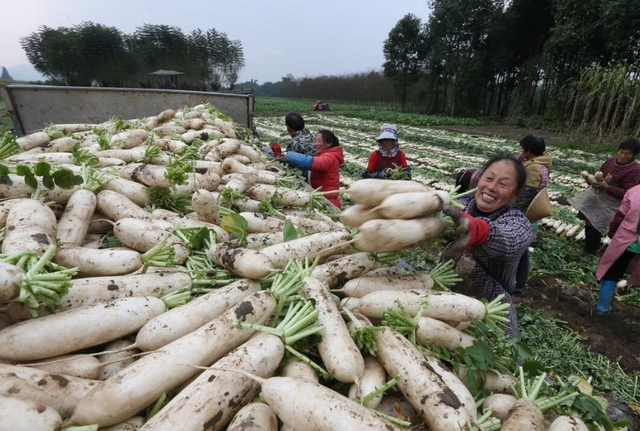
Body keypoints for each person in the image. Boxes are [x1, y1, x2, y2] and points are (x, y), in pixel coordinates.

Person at [443, 155, 531, 338]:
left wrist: (477, 230)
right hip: (444, 302)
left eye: (503, 184)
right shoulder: (460, 206)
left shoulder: (517, 222)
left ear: (515, 194)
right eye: (489, 178)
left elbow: (509, 242)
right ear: (479, 179)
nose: (491, 187)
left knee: (494, 360)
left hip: (489, 314)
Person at [570, 139, 640, 255]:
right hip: (598, 195)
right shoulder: (610, 161)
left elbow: (628, 192)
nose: (622, 156)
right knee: (588, 220)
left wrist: (607, 186)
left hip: (612, 202)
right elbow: (600, 174)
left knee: (598, 226)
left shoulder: (635, 170)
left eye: (627, 154)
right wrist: (593, 181)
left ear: (633, 155)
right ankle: (588, 246)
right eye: (621, 152)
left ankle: (590, 252)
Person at [594, 184, 640, 313]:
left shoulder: (634, 191)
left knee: (613, 272)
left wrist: (613, 234)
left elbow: (619, 216)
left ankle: (602, 308)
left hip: (626, 240)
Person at [280, 130, 344, 208]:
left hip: (328, 202)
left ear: (329, 143)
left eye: (319, 141)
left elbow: (309, 162)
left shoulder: (330, 157)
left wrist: (288, 155)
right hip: (323, 197)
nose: (315, 144)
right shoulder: (325, 155)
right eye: (315, 141)